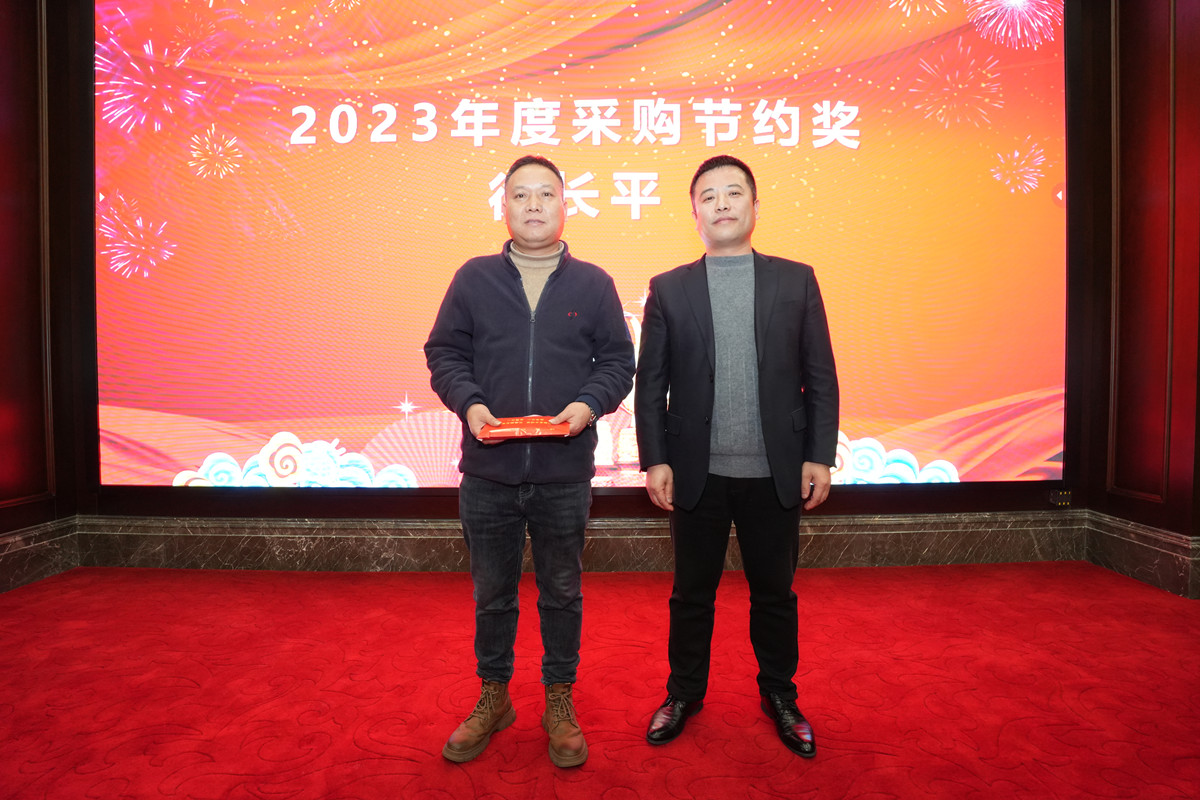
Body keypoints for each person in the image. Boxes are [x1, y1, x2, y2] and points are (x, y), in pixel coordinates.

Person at [425, 154, 635, 768]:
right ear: (505, 206)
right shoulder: (473, 278)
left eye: (546, 194)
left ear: (566, 205)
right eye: (521, 194)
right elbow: (444, 353)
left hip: (563, 472)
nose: (534, 204)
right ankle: (493, 696)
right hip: (488, 473)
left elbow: (617, 362)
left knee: (561, 592)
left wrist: (587, 406)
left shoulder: (593, 284)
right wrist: (470, 405)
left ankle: (558, 700)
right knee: (492, 593)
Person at [634, 154, 839, 758]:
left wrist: (819, 454)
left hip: (775, 469)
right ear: (694, 212)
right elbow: (651, 383)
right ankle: (683, 694)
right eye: (709, 195)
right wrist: (655, 458)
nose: (721, 203)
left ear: (754, 205)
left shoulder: (796, 280)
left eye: (733, 192)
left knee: (774, 594)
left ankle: (780, 694)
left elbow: (820, 375)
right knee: (690, 595)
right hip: (695, 469)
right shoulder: (669, 288)